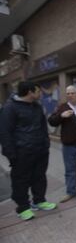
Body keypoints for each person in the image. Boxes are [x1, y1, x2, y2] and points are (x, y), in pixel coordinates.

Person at [0, 81, 57, 220]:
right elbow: (5, 133)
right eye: (38, 91)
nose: (40, 93)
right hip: (21, 153)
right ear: (30, 92)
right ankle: (23, 207)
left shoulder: (36, 106)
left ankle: (39, 201)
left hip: (40, 151)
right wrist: (11, 154)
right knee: (21, 181)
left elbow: (43, 127)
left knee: (39, 177)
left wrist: (46, 144)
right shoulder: (10, 108)